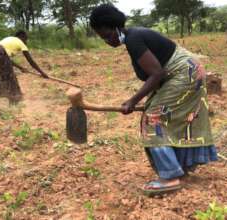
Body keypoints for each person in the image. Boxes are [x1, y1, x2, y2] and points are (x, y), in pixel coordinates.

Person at [90, 4, 218, 196]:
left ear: (116, 26)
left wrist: (132, 101)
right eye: (103, 39)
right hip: (189, 72)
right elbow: (158, 73)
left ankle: (170, 177)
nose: (108, 41)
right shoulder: (133, 37)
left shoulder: (134, 39)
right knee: (170, 116)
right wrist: (147, 99)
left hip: (185, 74)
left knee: (153, 119)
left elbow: (157, 73)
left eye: (108, 35)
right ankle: (180, 168)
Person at [0, 30, 48, 103]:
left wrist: (21, 68)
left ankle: (2, 95)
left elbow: (7, 60)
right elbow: (31, 61)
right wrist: (42, 73)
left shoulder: (9, 39)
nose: (26, 41)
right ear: (22, 37)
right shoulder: (20, 42)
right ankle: (15, 99)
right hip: (1, 52)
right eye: (26, 39)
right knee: (10, 76)